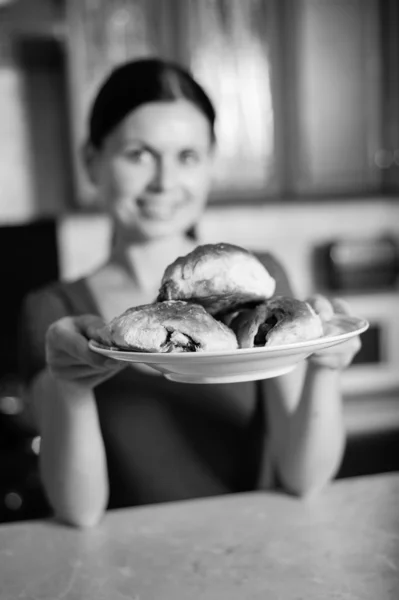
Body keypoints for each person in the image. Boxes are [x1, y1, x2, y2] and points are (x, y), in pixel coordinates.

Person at [18, 58, 361, 528]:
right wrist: (70, 386)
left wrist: (323, 370)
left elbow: (304, 478)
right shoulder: (55, 313)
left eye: (187, 157)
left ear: (210, 167)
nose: (164, 181)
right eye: (139, 153)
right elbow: (78, 511)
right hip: (132, 568)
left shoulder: (264, 292)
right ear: (92, 161)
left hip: (261, 550)